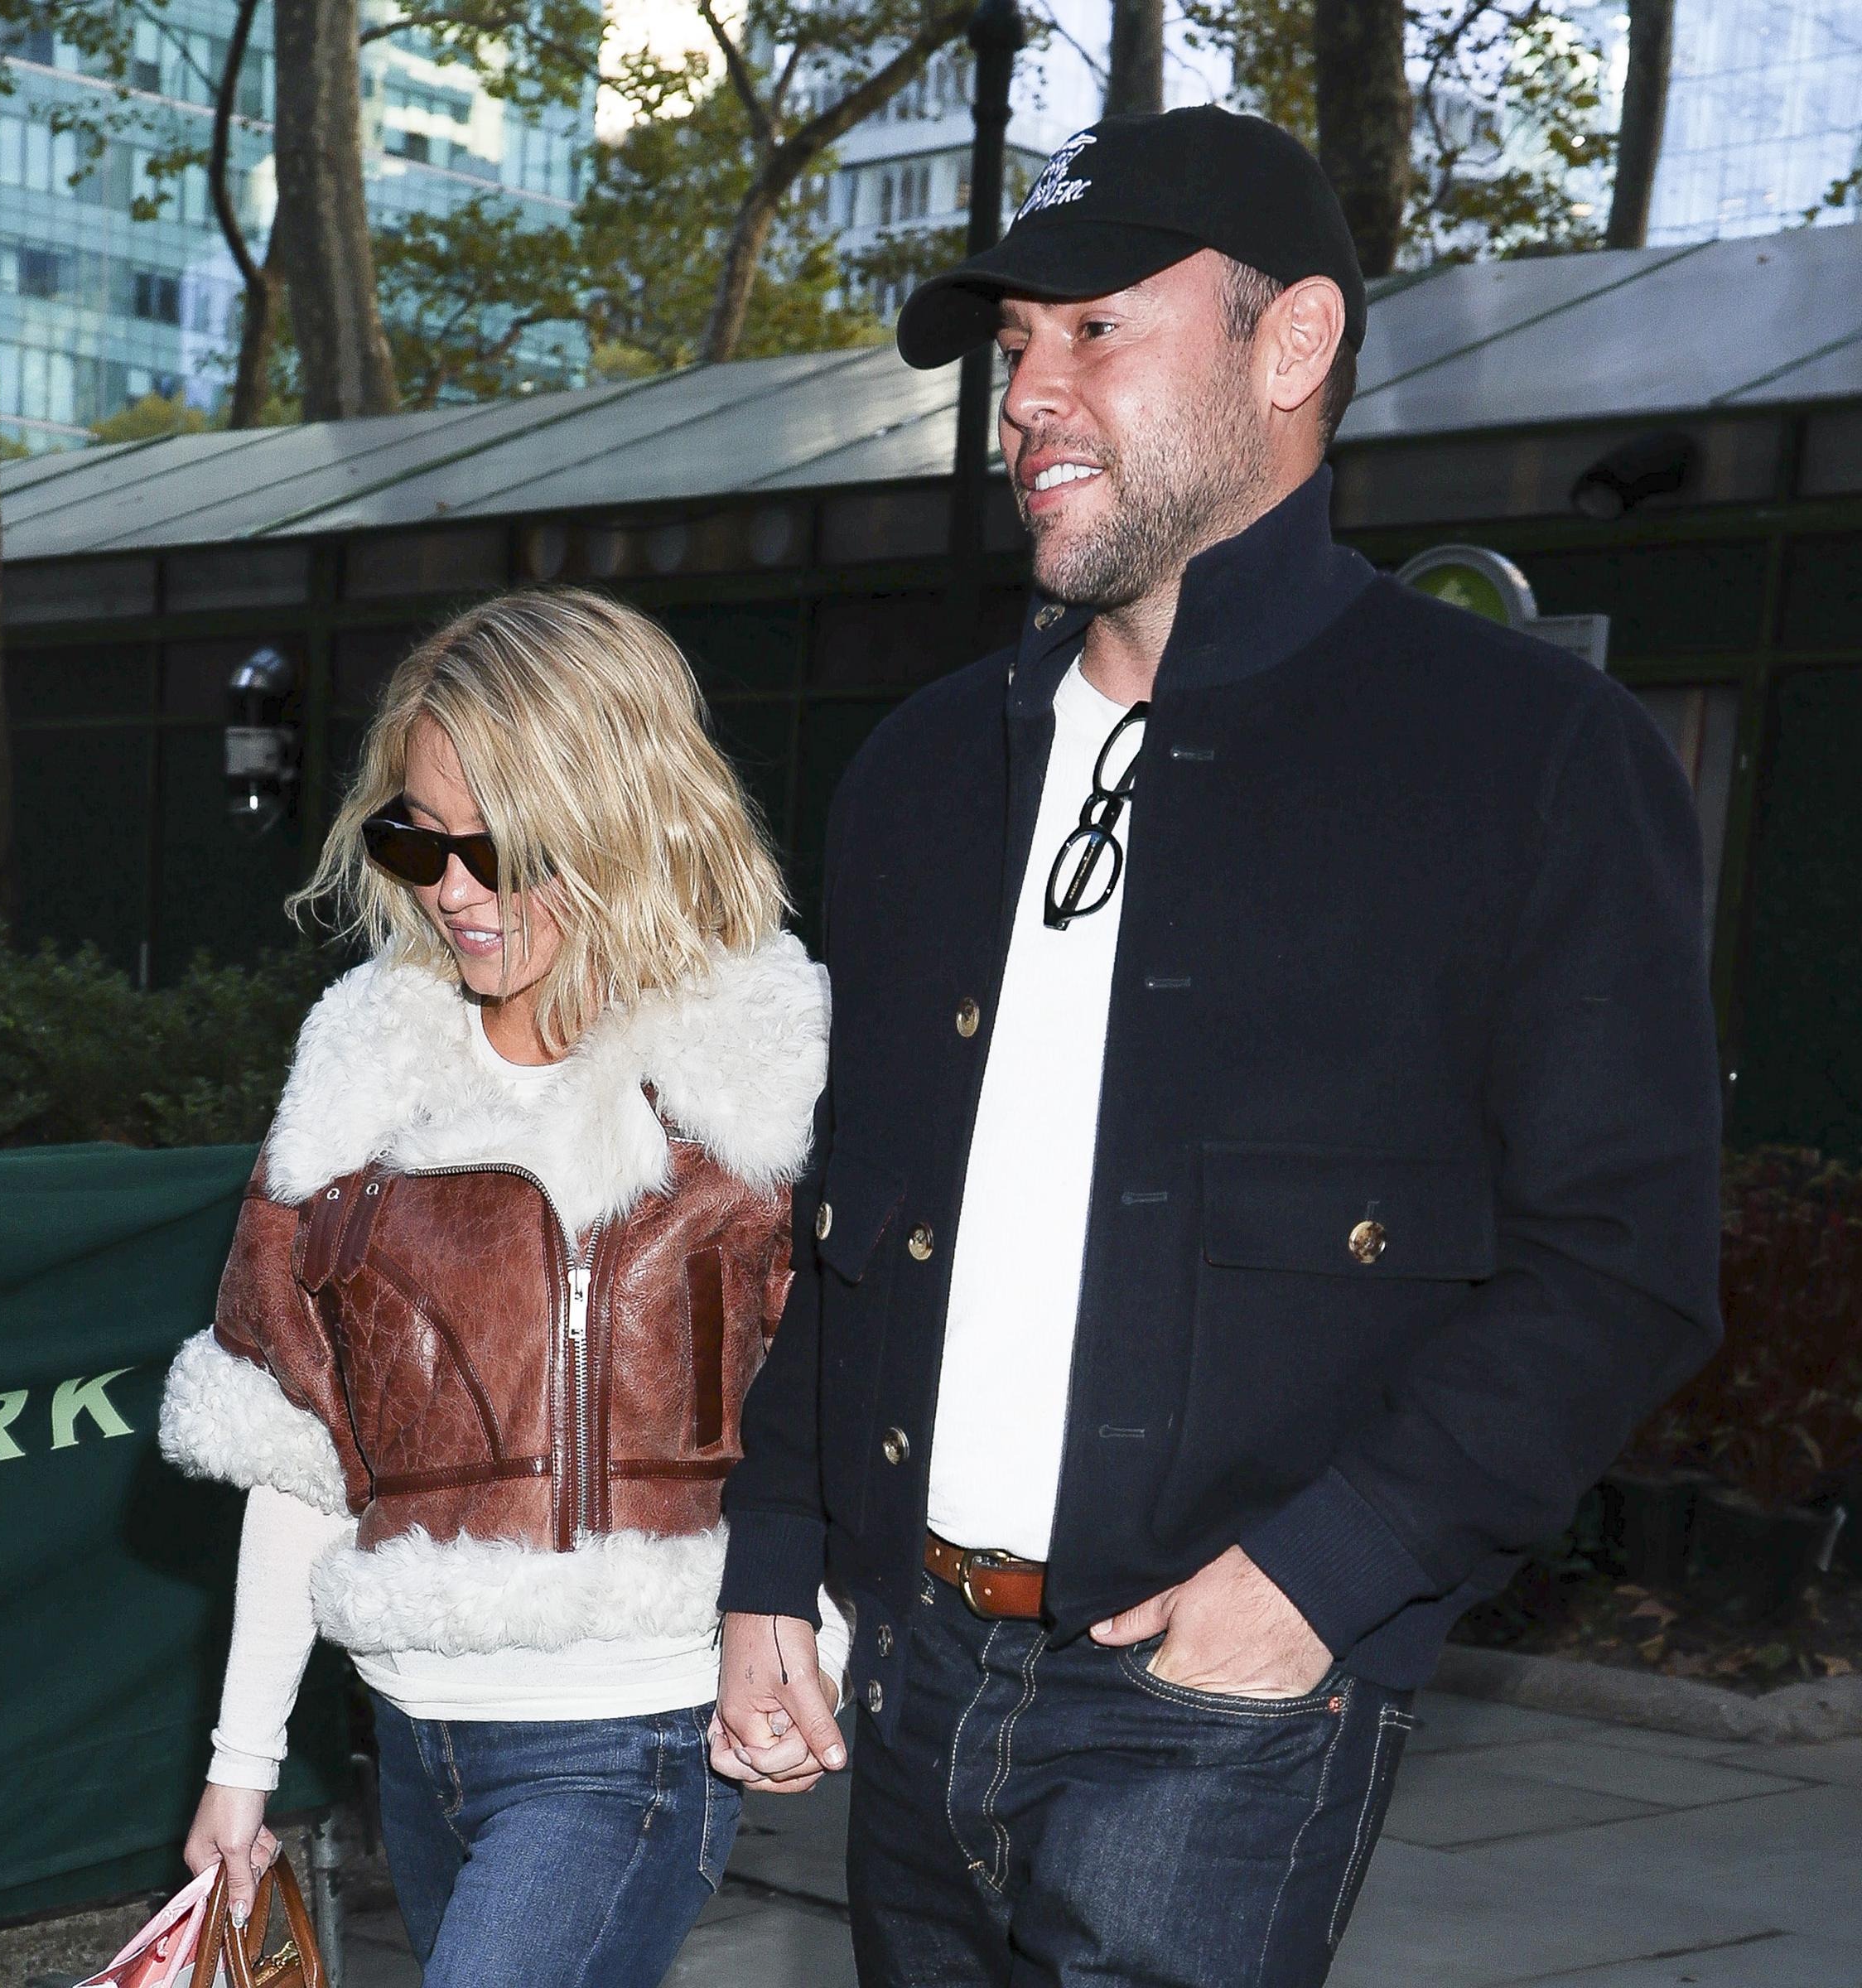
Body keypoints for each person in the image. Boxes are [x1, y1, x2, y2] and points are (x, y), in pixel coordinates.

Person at [713, 106, 1723, 1986]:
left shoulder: (1527, 760)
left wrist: (1321, 1581)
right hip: (917, 1674)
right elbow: (852, 1222)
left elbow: (1627, 1259)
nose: (1028, 395)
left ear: (1295, 344)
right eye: (1015, 348)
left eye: (1098, 331)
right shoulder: (925, 770)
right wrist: (781, 1551)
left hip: (1223, 1705)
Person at [159, 588, 846, 1987]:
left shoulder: (756, 1069)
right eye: (416, 838)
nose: (453, 890)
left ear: (620, 820)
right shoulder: (364, 1063)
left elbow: (854, 1387)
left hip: (637, 1726)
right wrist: (244, 1763)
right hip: (412, 1733)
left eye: (504, 848)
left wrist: (819, 1645)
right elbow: (301, 1448)